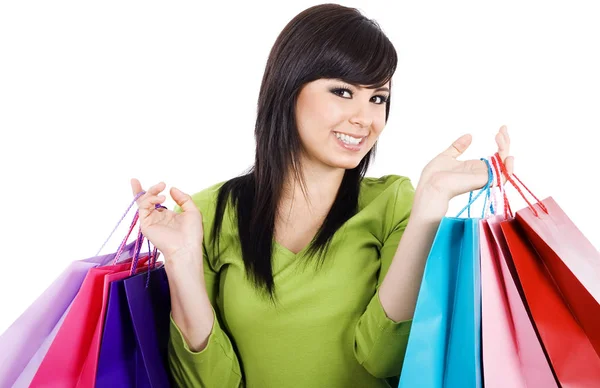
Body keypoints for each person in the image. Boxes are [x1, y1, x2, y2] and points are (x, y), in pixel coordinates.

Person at [130, 3, 513, 387]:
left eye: (377, 98)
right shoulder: (209, 213)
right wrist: (180, 261)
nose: (364, 118)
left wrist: (431, 201)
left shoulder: (393, 203)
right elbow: (210, 384)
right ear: (288, 88)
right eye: (343, 92)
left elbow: (384, 357)